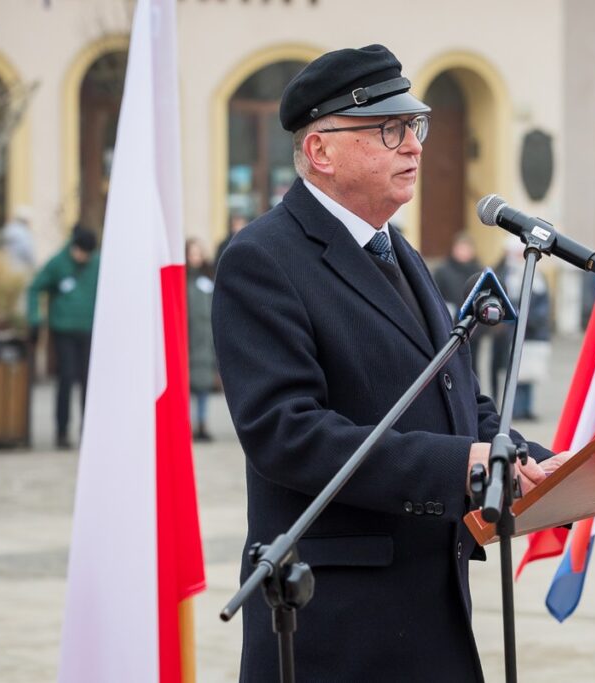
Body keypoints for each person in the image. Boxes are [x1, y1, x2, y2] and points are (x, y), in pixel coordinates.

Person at [212, 45, 571, 682]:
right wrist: (460, 465)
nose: (414, 146)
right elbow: (287, 433)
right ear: (320, 151)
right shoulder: (263, 260)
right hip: (337, 621)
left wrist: (531, 459)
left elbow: (456, 393)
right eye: (390, 129)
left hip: (429, 609)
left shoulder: (396, 251)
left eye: (416, 126)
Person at [27, 225, 100, 449]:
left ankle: (89, 430)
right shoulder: (58, 262)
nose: (82, 257)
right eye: (79, 252)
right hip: (64, 329)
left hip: (89, 330)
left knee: (90, 382)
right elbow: (34, 288)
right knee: (66, 379)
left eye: (86, 254)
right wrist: (35, 318)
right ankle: (61, 430)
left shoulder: (97, 263)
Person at [492, 236, 552, 420]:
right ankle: (514, 409)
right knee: (515, 372)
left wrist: (533, 319)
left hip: (534, 332)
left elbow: (543, 303)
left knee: (530, 372)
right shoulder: (505, 275)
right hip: (513, 332)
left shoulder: (539, 277)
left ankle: (526, 409)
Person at [433, 231, 484, 376]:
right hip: (451, 328)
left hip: (473, 329)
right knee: (452, 367)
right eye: (460, 247)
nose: (463, 252)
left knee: (473, 367)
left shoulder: (479, 271)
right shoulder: (443, 271)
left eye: (466, 248)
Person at [185, 238, 217, 441]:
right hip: (189, 339)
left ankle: (202, 424)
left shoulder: (209, 279)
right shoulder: (182, 280)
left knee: (204, 386)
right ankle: (187, 424)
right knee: (188, 387)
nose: (195, 258)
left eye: (198, 253)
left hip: (205, 340)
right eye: (192, 253)